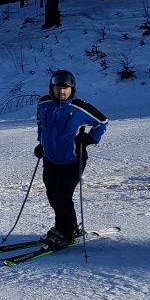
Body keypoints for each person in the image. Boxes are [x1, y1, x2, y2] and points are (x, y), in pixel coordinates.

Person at [34, 70, 108, 251]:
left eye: (66, 88)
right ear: (52, 88)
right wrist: (40, 144)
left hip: (73, 160)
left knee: (62, 196)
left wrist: (90, 139)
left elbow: (103, 122)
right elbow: (41, 124)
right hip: (50, 159)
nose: (62, 91)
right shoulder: (44, 103)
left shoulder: (79, 108)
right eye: (58, 87)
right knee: (53, 196)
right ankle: (67, 227)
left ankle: (65, 234)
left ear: (72, 89)